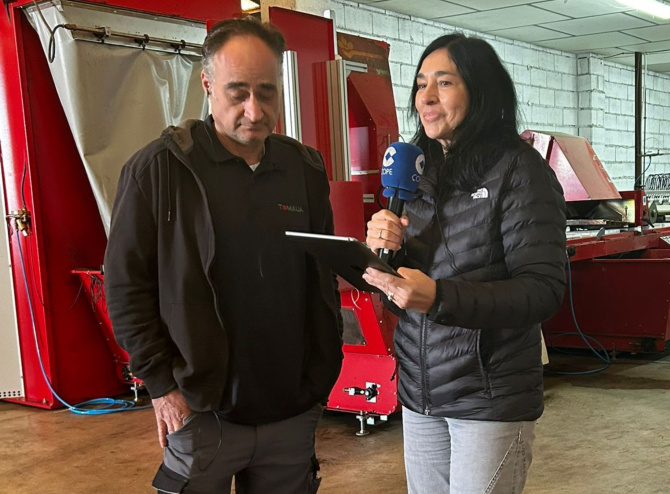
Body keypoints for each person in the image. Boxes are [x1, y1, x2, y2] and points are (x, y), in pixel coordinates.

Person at [104, 18, 342, 493]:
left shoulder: (305, 170)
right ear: (207, 84)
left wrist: (321, 377)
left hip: (291, 410)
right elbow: (126, 286)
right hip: (200, 411)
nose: (255, 110)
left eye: (267, 92)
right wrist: (162, 387)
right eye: (238, 93)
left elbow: (321, 280)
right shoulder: (161, 170)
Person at [362, 33, 567, 494]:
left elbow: (542, 290)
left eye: (445, 83)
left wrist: (438, 297)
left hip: (488, 396)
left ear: (480, 91)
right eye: (420, 84)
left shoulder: (519, 170)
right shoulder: (421, 174)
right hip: (420, 392)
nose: (426, 98)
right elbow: (407, 296)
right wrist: (386, 258)